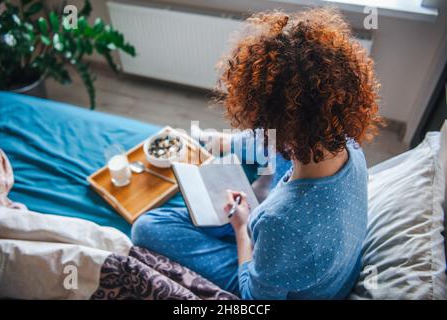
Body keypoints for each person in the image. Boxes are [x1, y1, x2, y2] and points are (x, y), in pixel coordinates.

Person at [132, 7, 383, 299]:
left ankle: (230, 147)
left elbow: (255, 298)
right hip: (308, 251)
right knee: (273, 153)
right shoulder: (351, 147)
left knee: (147, 228)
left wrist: (241, 229)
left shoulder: (279, 220)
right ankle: (228, 143)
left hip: (282, 255)